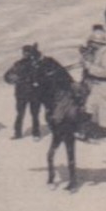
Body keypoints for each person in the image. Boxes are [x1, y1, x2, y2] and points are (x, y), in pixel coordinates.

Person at [41, 56, 87, 191]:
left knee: (74, 107)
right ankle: (52, 176)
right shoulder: (51, 77)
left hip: (82, 86)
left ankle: (80, 127)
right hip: (65, 93)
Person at [6, 44, 44, 139]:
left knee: (35, 114)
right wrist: (14, 79)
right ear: (22, 53)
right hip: (21, 93)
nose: (26, 54)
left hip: (34, 93)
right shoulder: (18, 64)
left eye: (28, 52)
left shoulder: (37, 64)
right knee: (20, 114)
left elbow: (43, 77)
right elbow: (7, 76)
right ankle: (17, 133)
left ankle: (36, 133)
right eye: (25, 52)